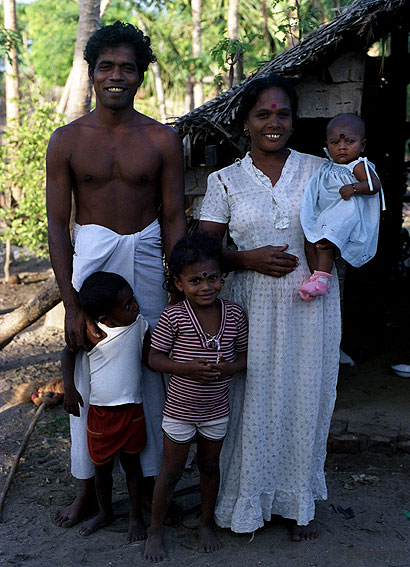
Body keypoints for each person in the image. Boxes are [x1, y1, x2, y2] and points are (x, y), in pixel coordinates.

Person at [46, 20, 187, 528]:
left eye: (128, 67)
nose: (116, 76)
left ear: (141, 76)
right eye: (107, 66)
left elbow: (174, 218)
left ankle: (147, 489)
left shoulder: (162, 140)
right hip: (92, 262)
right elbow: (58, 228)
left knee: (149, 366)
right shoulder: (66, 141)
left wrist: (181, 292)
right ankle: (89, 488)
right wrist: (70, 305)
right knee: (88, 368)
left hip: (148, 260)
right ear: (91, 72)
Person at [199, 74, 341, 541]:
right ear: (246, 123)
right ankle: (248, 503)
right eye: (263, 114)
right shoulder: (225, 181)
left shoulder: (322, 170)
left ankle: (298, 502)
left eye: (282, 114)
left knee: (305, 397)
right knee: (251, 402)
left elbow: (348, 224)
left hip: (310, 305)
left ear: (294, 121)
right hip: (250, 308)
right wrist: (246, 259)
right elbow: (201, 253)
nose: (273, 123)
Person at [143, 233, 248, 562]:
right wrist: (185, 368)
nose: (206, 287)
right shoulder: (173, 316)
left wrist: (230, 367)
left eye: (212, 278)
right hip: (179, 411)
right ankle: (155, 530)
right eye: (195, 280)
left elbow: (245, 357)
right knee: (171, 469)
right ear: (179, 282)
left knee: (208, 466)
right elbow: (154, 358)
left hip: (216, 410)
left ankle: (205, 523)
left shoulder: (234, 315)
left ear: (222, 276)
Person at [62, 272, 149, 541]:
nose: (134, 305)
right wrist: (69, 389)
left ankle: (136, 516)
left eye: (132, 298)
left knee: (134, 467)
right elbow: (67, 353)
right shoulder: (95, 334)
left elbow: (149, 360)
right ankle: (104, 512)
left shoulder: (140, 325)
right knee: (102, 470)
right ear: (106, 318)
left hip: (132, 412)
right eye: (126, 305)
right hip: (101, 415)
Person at [298, 113, 383, 300]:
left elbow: (374, 185)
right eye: (335, 143)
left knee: (325, 243)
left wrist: (354, 187)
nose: (342, 147)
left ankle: (322, 280)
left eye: (349, 142)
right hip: (329, 213)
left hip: (345, 213)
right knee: (311, 240)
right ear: (327, 144)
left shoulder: (358, 165)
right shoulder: (328, 166)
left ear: (363, 145)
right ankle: (317, 277)